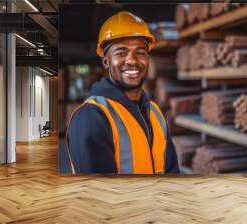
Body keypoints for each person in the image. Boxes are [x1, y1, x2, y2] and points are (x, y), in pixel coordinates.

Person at [66, 11, 180, 174]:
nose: (132, 60)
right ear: (106, 62)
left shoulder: (154, 111)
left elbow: (172, 172)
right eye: (121, 53)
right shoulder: (91, 116)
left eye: (140, 52)